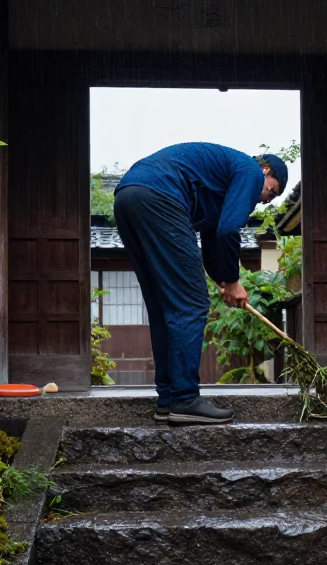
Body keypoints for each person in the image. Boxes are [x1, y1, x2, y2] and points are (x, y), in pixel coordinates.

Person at [113, 142, 288, 425]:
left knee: (163, 307)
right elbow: (230, 229)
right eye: (273, 190)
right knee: (192, 303)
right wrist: (233, 282)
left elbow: (212, 237)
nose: (267, 199)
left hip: (128, 196)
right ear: (266, 171)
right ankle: (185, 399)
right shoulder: (249, 170)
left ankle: (168, 399)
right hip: (161, 195)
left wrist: (221, 279)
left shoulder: (218, 184)